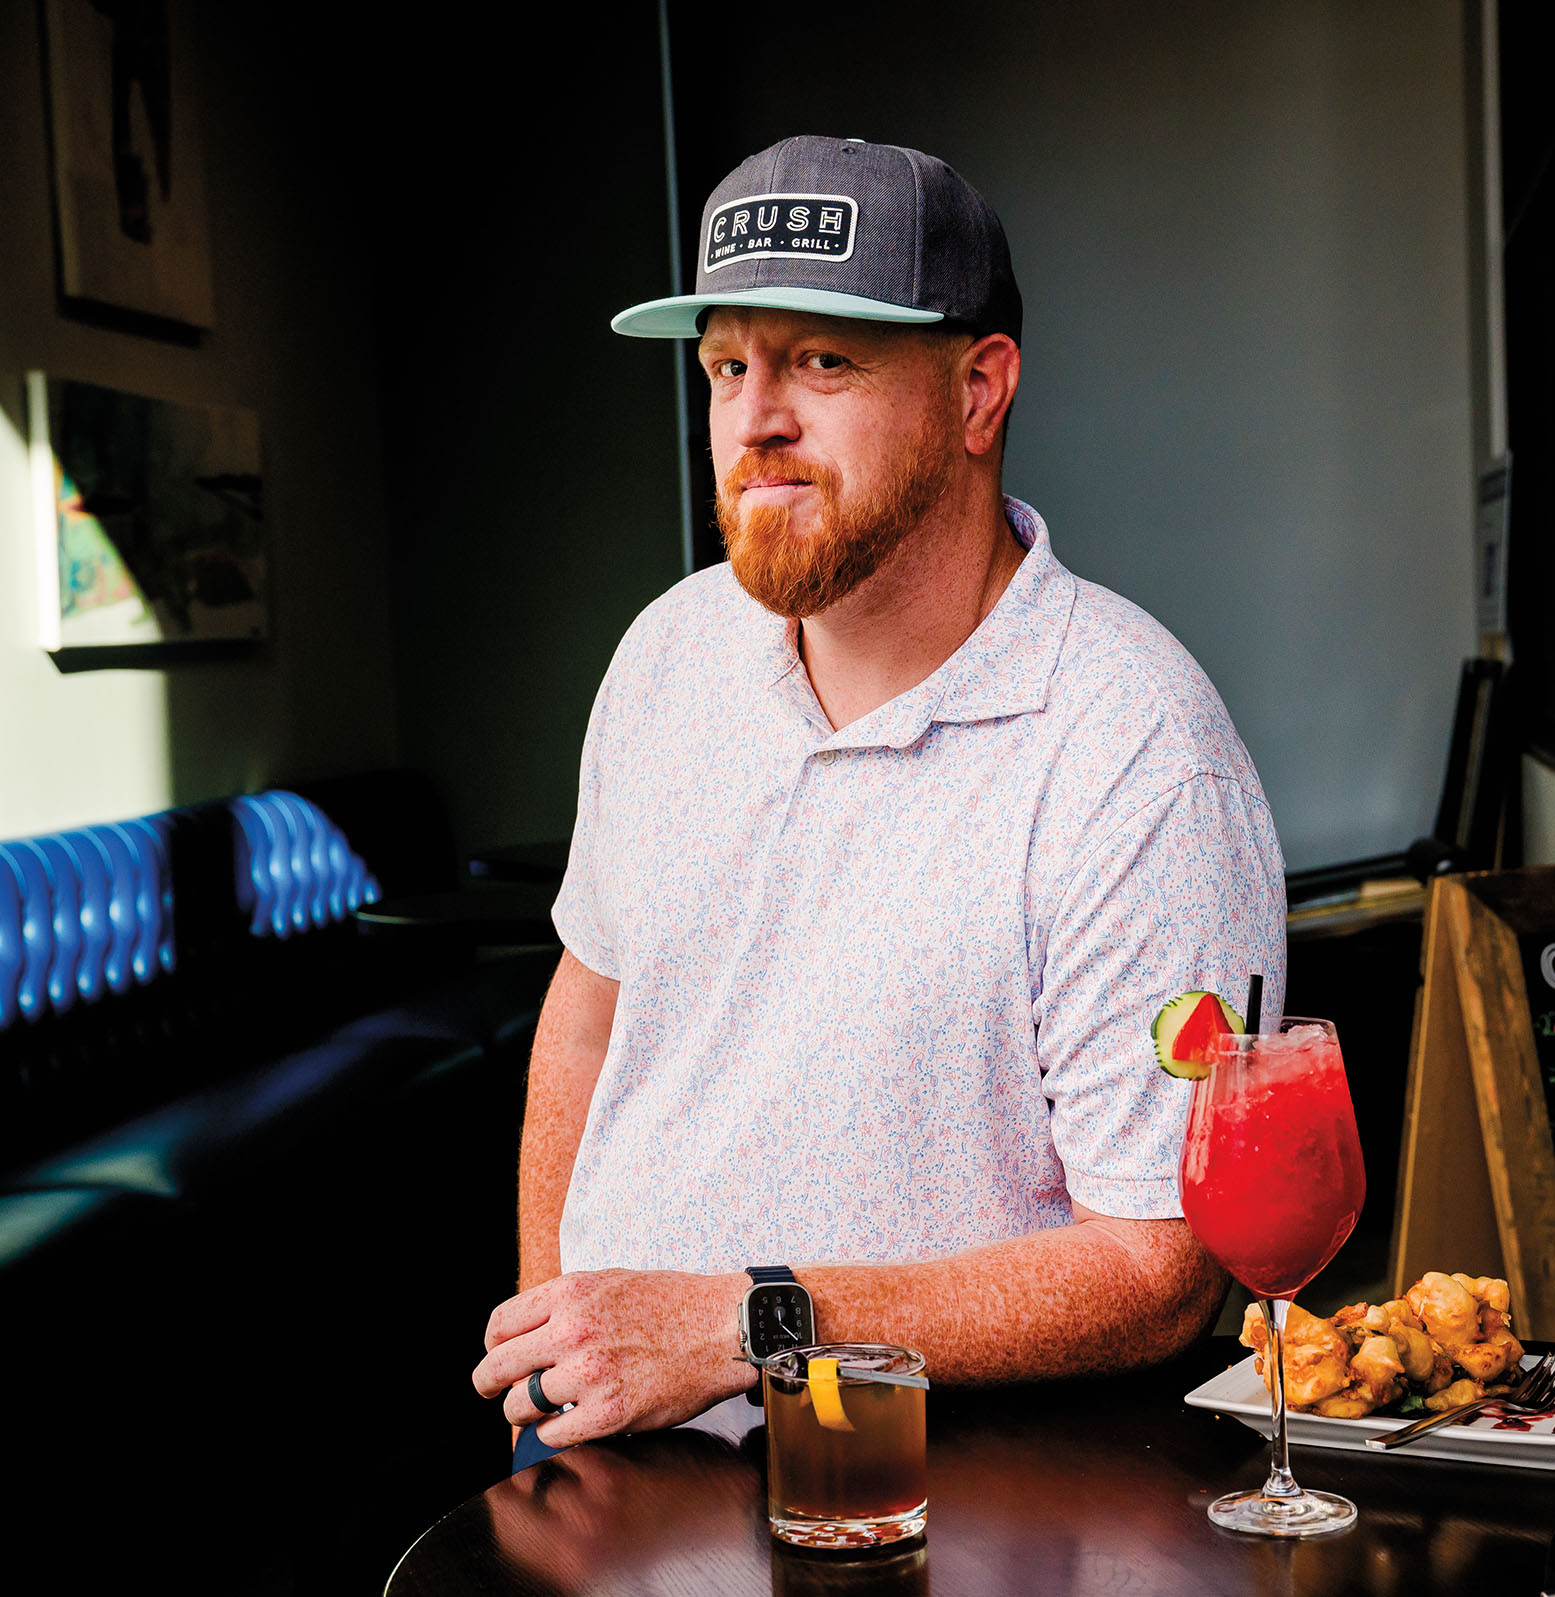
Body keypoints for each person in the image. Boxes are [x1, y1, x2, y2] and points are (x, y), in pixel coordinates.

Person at [473, 135, 1286, 1463]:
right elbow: (588, 1011)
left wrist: (754, 1324)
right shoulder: (667, 654)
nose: (756, 418)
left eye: (822, 361)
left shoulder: (1135, 746)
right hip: (609, 1450)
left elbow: (1159, 1268)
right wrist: (554, 1349)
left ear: (980, 391)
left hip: (934, 1494)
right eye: (730, 365)